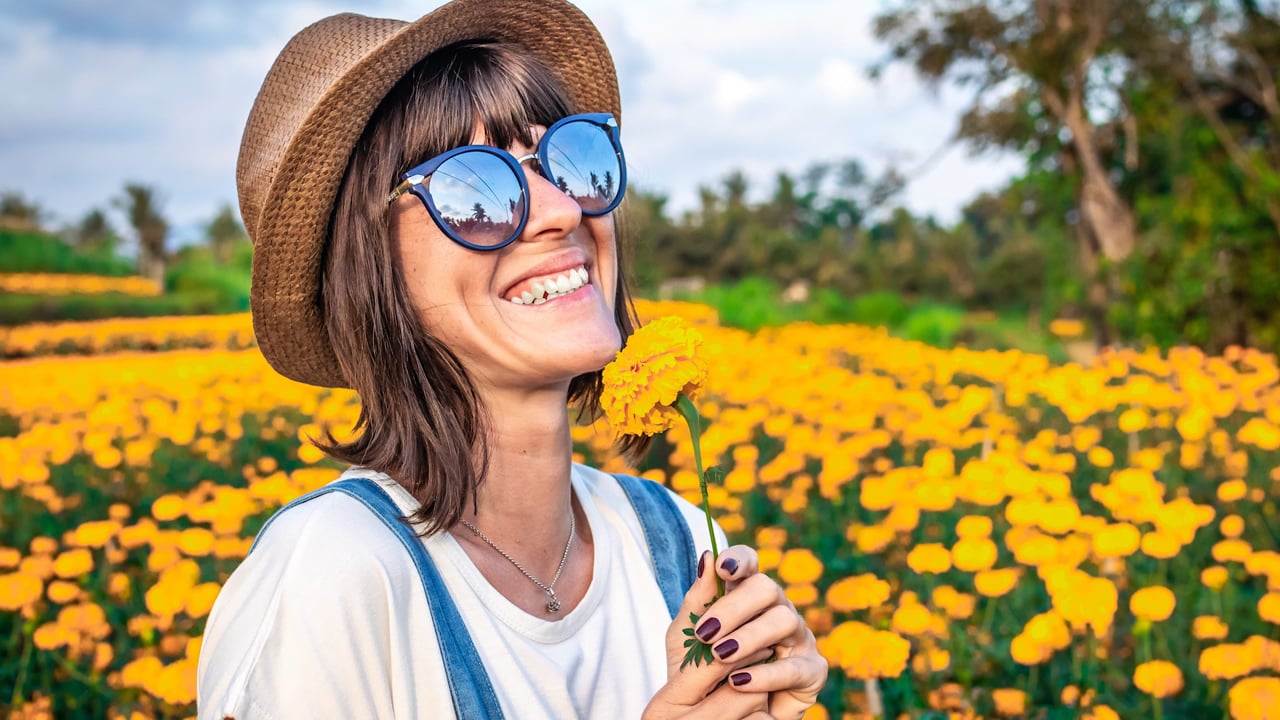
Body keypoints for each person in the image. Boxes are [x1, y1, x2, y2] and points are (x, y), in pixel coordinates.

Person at [196, 0, 828, 717]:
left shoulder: (680, 538)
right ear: (367, 270)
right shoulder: (337, 573)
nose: (562, 209)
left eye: (570, 156)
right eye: (474, 188)